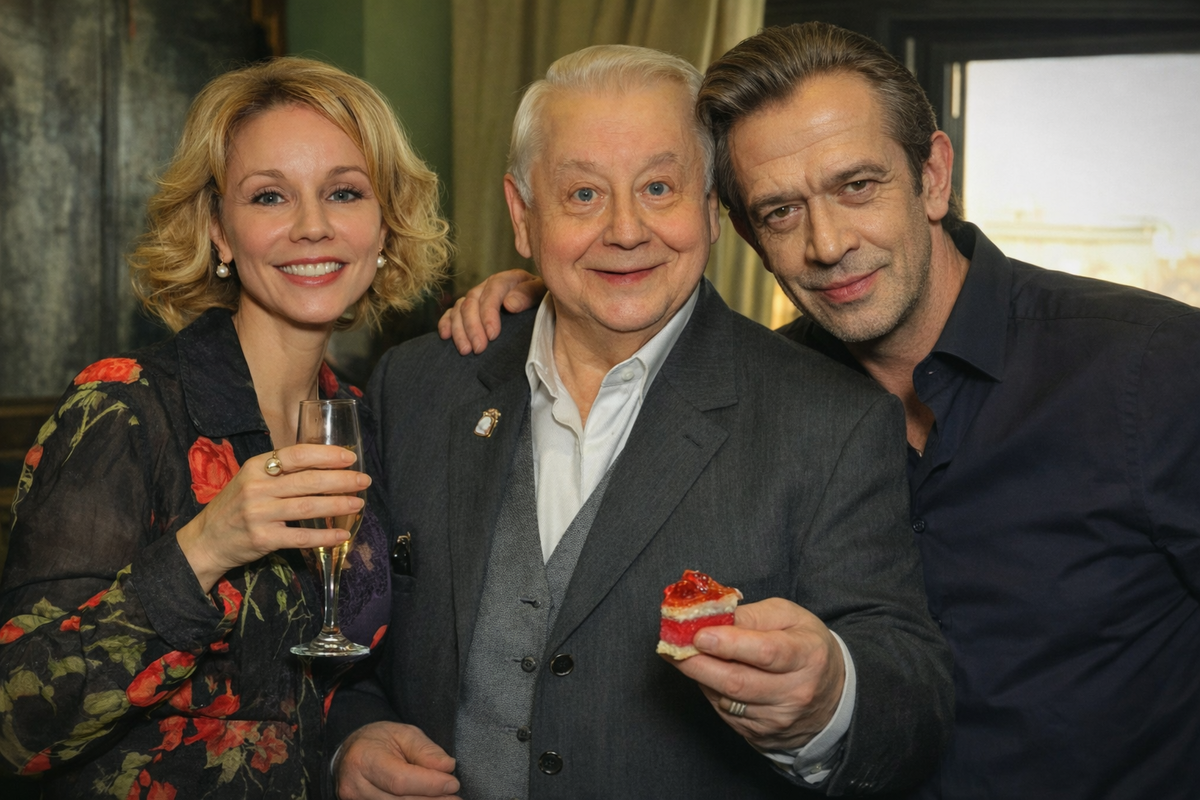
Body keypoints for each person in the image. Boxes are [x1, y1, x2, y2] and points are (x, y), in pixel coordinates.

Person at [443, 22, 1200, 800]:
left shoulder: (1153, 370)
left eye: (857, 186)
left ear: (933, 176)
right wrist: (551, 300)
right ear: (742, 231)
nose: (829, 243)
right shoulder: (765, 399)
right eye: (780, 211)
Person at [331, 44, 952, 799]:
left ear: (711, 208)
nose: (626, 230)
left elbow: (911, 696)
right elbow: (347, 638)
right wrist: (353, 736)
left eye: (659, 187)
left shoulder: (832, 419)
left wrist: (827, 702)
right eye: (583, 195)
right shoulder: (417, 385)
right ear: (523, 216)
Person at [0, 57, 450, 797]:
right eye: (270, 196)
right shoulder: (125, 407)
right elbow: (18, 725)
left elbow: (310, 687)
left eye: (344, 192)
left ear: (384, 225)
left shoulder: (363, 419)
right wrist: (206, 548)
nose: (312, 226)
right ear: (219, 232)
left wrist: (349, 742)